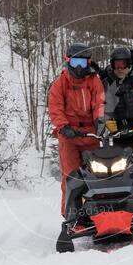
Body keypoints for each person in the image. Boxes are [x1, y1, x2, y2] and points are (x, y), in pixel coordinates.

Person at [48, 43, 104, 215]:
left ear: (88, 62)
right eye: (75, 62)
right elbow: (55, 108)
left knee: (98, 173)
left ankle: (100, 209)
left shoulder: (94, 81)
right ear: (68, 61)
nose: (79, 67)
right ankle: (70, 214)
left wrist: (100, 120)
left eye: (82, 62)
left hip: (90, 135)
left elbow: (100, 102)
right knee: (71, 175)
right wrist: (63, 126)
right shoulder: (60, 83)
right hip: (69, 136)